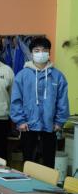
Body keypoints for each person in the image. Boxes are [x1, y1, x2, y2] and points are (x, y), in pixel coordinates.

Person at [10, 37, 69, 167]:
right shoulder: (22, 75)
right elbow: (16, 100)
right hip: (28, 126)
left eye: (44, 50)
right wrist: (20, 121)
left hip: (50, 126)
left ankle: (47, 180)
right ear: (31, 53)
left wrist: (59, 122)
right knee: (28, 162)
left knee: (48, 163)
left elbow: (62, 100)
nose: (40, 53)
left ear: (49, 53)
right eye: (37, 50)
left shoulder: (58, 76)